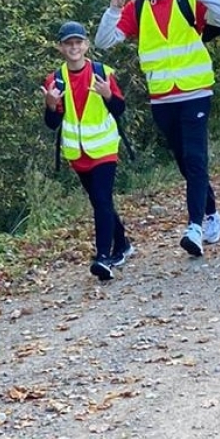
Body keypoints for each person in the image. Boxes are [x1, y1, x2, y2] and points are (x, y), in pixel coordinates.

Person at [94, 0, 220, 257]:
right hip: (162, 96)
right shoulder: (137, 7)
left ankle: (194, 227)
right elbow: (103, 42)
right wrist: (113, 9)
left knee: (196, 158)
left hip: (196, 90)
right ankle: (212, 214)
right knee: (185, 161)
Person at [42, 21, 134, 281]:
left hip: (104, 148)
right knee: (99, 201)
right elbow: (52, 123)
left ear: (86, 45)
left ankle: (103, 257)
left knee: (102, 201)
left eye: (78, 42)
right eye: (68, 43)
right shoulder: (55, 79)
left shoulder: (102, 72)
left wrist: (107, 95)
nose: (74, 47)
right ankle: (123, 244)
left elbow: (119, 110)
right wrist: (50, 105)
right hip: (77, 153)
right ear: (61, 47)